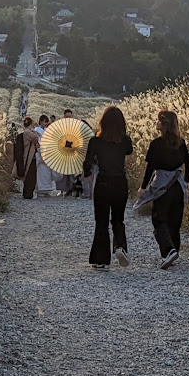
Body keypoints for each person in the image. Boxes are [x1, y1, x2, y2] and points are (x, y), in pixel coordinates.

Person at [135, 110, 189, 270]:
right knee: (175, 219)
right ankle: (174, 251)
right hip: (178, 185)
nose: (156, 123)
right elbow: (188, 163)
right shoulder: (181, 142)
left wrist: (143, 187)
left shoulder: (156, 144)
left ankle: (168, 251)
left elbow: (150, 168)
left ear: (164, 124)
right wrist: (186, 181)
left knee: (159, 219)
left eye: (158, 120)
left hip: (162, 186)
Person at [82, 106, 133, 270]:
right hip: (120, 182)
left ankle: (101, 259)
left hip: (103, 181)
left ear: (102, 122)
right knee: (118, 219)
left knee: (101, 221)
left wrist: (88, 172)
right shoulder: (125, 140)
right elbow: (129, 151)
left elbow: (87, 162)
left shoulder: (95, 141)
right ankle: (120, 247)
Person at [13, 117, 39, 199]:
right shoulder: (28, 132)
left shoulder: (25, 132)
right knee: (30, 176)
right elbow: (36, 138)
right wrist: (35, 131)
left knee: (29, 175)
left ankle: (27, 193)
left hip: (28, 156)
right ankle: (28, 194)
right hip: (29, 157)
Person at [35, 115, 57, 197]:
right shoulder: (37, 130)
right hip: (41, 152)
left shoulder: (45, 130)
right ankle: (41, 190)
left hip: (46, 153)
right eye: (44, 122)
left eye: (46, 122)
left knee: (47, 173)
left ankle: (46, 190)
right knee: (41, 173)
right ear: (40, 121)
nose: (45, 124)